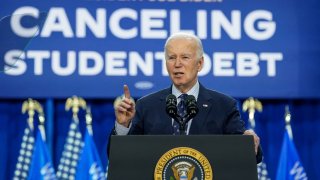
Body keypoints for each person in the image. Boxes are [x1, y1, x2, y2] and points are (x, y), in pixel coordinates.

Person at [113, 32, 262, 163]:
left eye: (185, 57)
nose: (177, 64)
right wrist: (123, 127)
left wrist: (249, 143)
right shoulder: (146, 105)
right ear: (166, 64)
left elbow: (248, 155)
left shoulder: (223, 106)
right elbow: (119, 158)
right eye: (171, 58)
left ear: (200, 63)